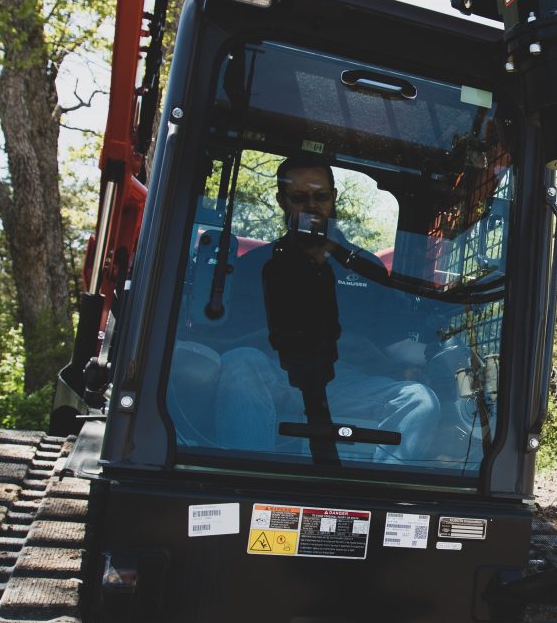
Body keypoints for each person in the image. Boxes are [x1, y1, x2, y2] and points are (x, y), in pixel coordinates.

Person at [187, 155, 440, 462]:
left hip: (344, 383)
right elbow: (221, 344)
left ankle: (379, 498)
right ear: (282, 201)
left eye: (320, 196)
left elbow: (395, 342)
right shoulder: (252, 268)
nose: (311, 206)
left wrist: (440, 355)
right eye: (299, 198)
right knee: (241, 362)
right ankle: (246, 484)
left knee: (419, 400)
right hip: (270, 374)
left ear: (333, 197)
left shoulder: (364, 268)